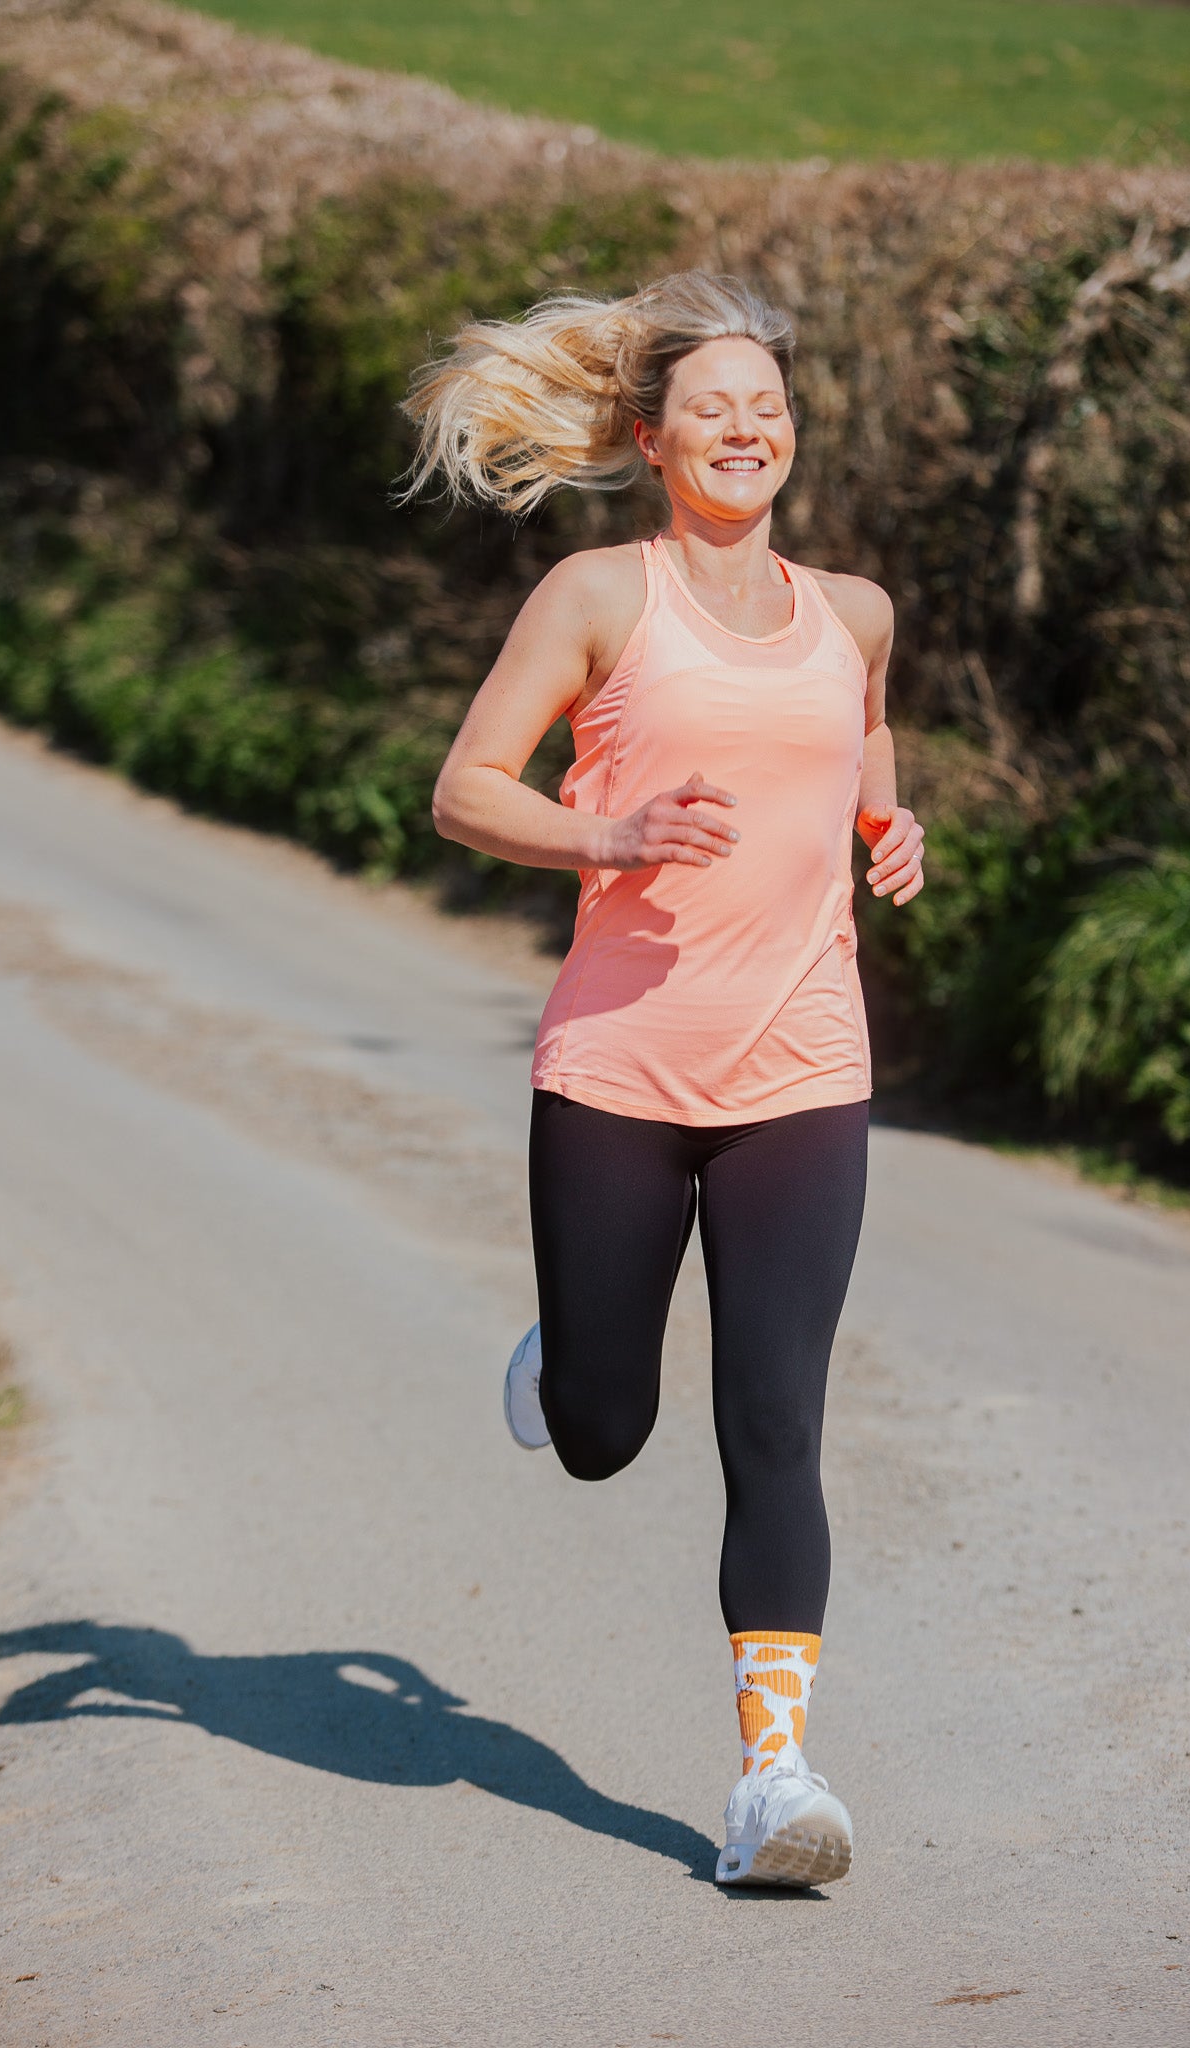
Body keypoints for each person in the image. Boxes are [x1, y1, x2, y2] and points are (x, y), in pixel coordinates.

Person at [401, 271, 925, 1888]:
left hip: (803, 1065)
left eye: (768, 406)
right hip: (623, 1062)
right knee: (606, 1427)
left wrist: (886, 830)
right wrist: (608, 831)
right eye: (714, 407)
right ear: (652, 439)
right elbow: (464, 791)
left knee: (777, 1421)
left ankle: (773, 1780)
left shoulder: (852, 612)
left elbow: (862, 751)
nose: (746, 427)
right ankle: (573, 1338)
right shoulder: (598, 596)